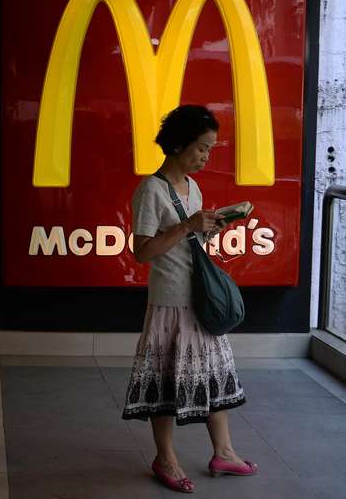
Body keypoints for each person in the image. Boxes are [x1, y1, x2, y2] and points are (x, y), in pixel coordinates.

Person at [122, 105, 257, 494]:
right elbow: (142, 252)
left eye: (210, 149)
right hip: (170, 302)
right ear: (178, 144)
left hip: (197, 297)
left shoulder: (192, 188)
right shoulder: (151, 189)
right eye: (201, 148)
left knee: (214, 375)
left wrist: (210, 227)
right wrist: (188, 225)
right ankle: (165, 458)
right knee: (166, 381)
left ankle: (225, 452)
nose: (205, 156)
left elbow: (189, 242)